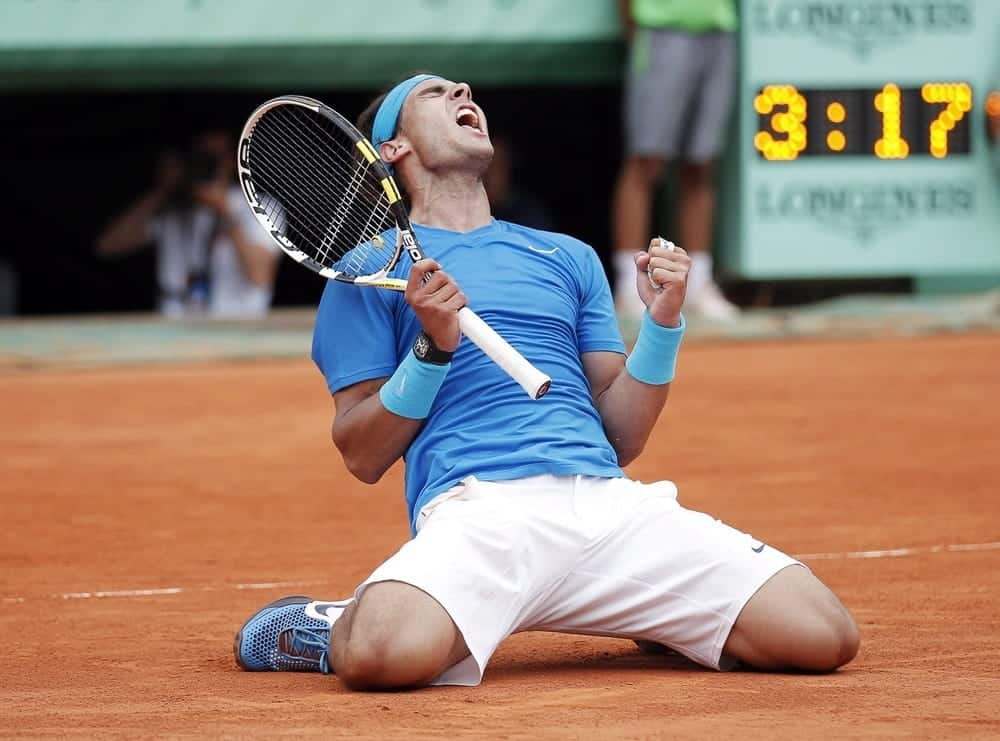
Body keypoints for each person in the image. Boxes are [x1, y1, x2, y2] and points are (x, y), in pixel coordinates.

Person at [233, 74, 859, 690]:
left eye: (465, 92)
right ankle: (339, 623)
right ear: (392, 150)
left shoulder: (567, 256)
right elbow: (362, 452)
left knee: (823, 634)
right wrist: (432, 349)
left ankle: (651, 613)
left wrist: (662, 323)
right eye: (434, 93)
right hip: (478, 512)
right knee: (378, 654)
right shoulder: (365, 272)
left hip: (607, 506)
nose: (463, 96)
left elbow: (622, 435)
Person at [611, 0, 740, 321]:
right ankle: (629, 287)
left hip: (719, 31)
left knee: (701, 164)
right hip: (660, 32)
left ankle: (698, 285)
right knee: (645, 162)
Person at [96, 130, 280, 319]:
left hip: (238, 331)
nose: (206, 166)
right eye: (200, 158)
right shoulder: (172, 208)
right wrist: (161, 191)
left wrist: (225, 213)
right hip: (174, 332)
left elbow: (260, 277)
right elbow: (108, 246)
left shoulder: (259, 206)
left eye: (214, 158)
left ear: (232, 161)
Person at [482, 135, 554, 231]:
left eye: (497, 166)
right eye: (484, 166)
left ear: (508, 169)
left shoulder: (529, 216)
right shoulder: (464, 212)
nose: (489, 174)